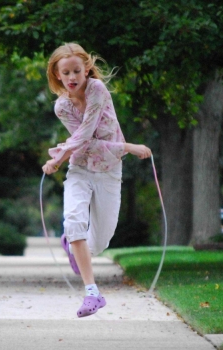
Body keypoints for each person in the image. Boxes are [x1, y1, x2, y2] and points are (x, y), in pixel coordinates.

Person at [41, 43, 152, 318]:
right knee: (74, 219)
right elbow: (84, 141)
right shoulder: (62, 106)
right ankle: (92, 293)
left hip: (109, 171)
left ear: (86, 69)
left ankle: (72, 243)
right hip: (80, 169)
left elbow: (88, 133)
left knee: (100, 243)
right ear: (57, 76)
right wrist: (62, 159)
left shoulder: (97, 90)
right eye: (65, 73)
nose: (71, 77)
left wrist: (127, 147)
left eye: (76, 70)